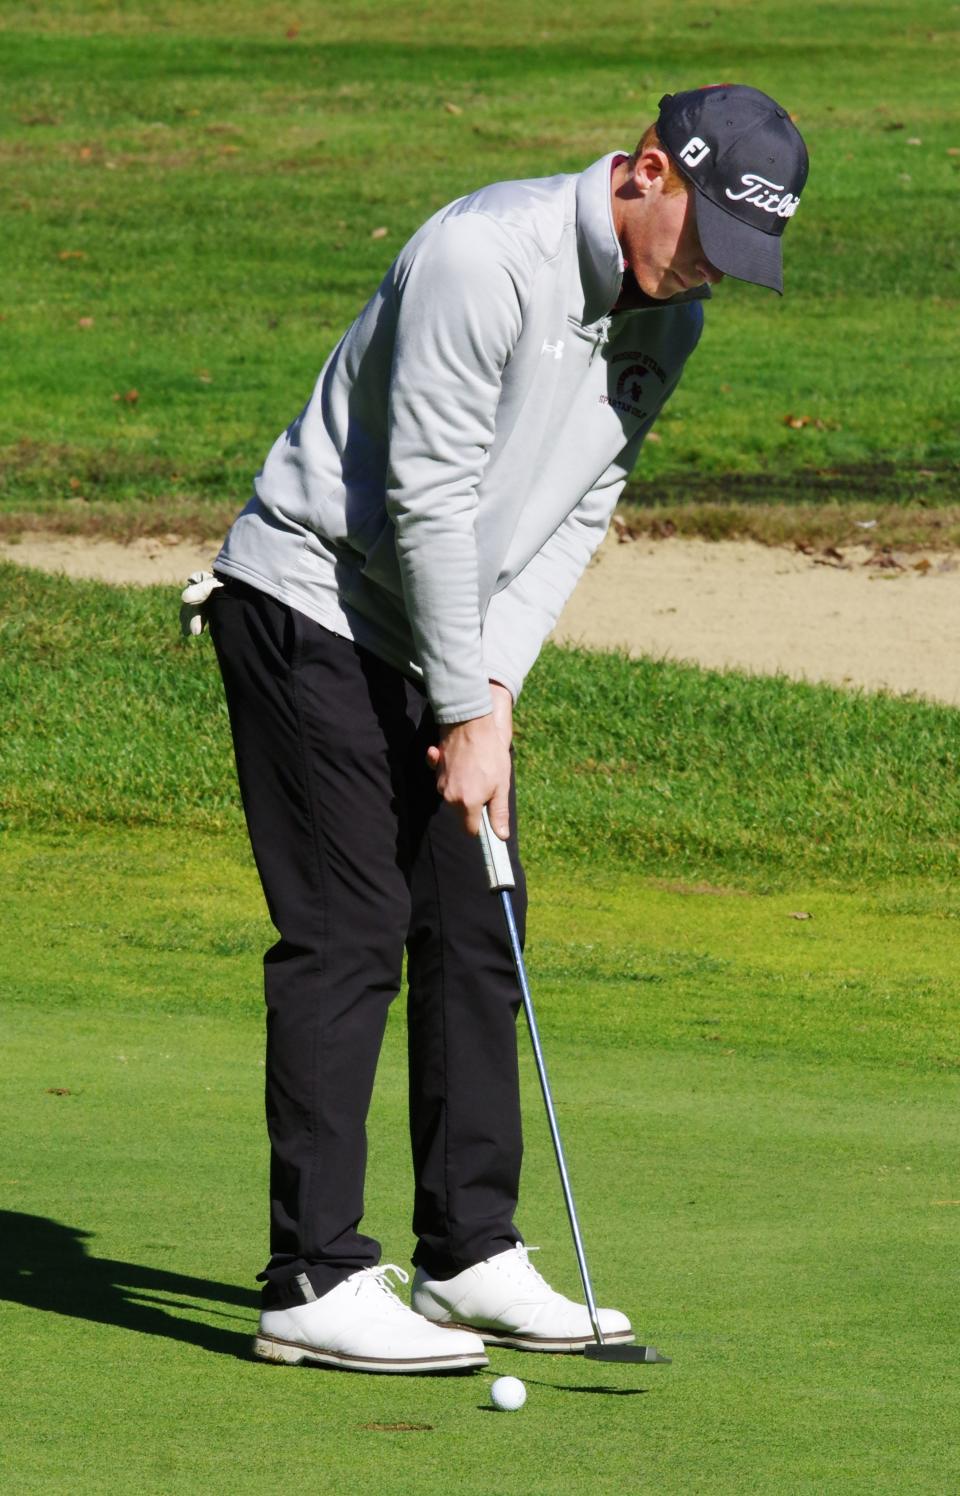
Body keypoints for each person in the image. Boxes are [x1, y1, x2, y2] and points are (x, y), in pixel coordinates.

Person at [184, 84, 808, 1374]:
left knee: (479, 923)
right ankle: (312, 1279)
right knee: (349, 930)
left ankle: (468, 1256)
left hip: (449, 636)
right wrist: (464, 704)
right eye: (701, 238)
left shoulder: (667, 318)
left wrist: (496, 693)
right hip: (313, 603)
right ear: (646, 171)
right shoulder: (486, 252)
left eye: (735, 261)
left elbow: (577, 511)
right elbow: (426, 492)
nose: (705, 277)